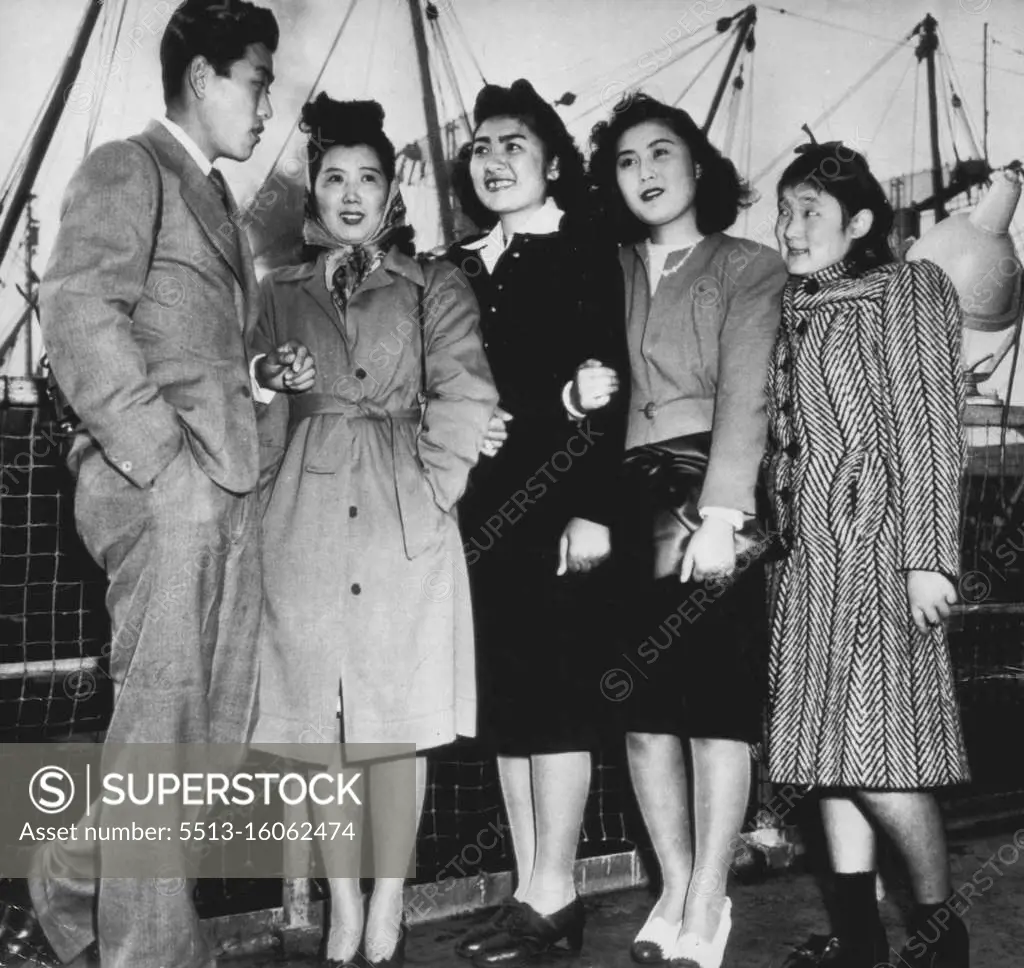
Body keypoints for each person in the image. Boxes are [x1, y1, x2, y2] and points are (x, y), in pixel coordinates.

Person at [0, 3, 278, 967]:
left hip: (224, 492)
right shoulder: (128, 165)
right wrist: (164, 465)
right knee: (165, 729)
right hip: (163, 488)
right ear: (203, 78)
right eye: (256, 78)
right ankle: (155, 955)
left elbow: (194, 343)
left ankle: (65, 888)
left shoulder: (224, 212)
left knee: (213, 735)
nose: (266, 100)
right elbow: (78, 307)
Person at [249, 93, 497, 967]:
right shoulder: (275, 292)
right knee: (319, 722)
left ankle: (390, 897)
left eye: (368, 178)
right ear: (311, 192)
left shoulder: (435, 284)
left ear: (393, 191)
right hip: (303, 520)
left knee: (393, 721)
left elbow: (466, 392)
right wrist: (266, 380)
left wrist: (433, 487)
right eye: (332, 178)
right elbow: (252, 413)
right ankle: (341, 901)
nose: (350, 194)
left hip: (403, 511)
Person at [588, 92, 786, 968]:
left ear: (697, 165)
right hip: (628, 500)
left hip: (710, 495)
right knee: (641, 716)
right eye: (628, 162)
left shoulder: (749, 265)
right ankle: (671, 884)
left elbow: (748, 392)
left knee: (714, 715)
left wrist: (722, 512)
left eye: (660, 154)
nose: (645, 175)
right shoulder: (612, 265)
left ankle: (711, 897)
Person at [768, 142, 969, 968]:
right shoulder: (800, 302)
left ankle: (936, 931)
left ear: (858, 222)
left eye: (809, 210)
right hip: (810, 558)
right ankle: (858, 940)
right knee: (827, 759)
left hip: (882, 550)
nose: (790, 226)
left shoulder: (909, 288)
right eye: (784, 209)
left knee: (882, 759)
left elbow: (929, 427)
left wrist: (930, 556)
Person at [445, 79, 627, 965]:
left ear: (553, 162)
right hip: (480, 513)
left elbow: (610, 387)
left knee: (554, 702)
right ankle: (531, 890)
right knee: (509, 705)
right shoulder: (461, 263)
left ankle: (558, 890)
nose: (494, 160)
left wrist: (591, 509)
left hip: (558, 507)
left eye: (514, 144)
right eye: (481, 147)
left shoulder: (591, 254)